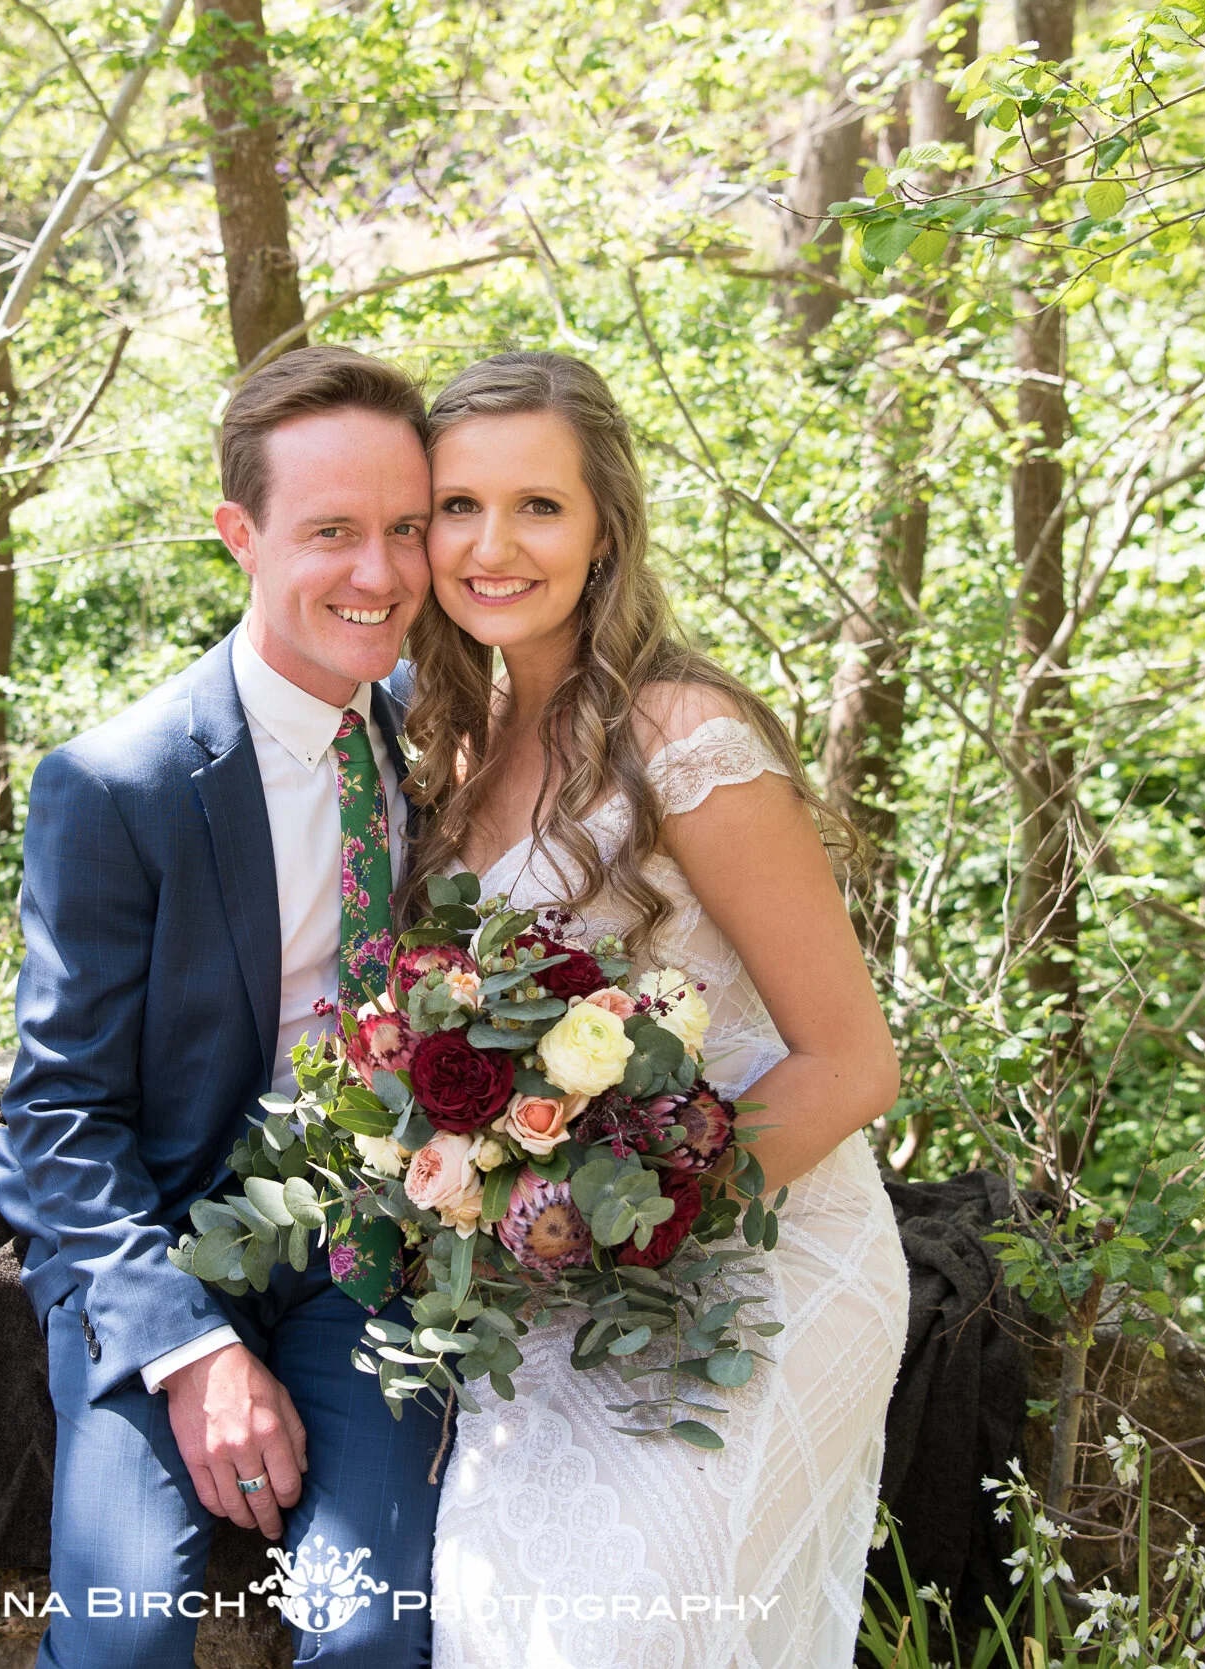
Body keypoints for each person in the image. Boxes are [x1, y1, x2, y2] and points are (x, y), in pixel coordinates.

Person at [406, 352, 910, 1669]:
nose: (492, 544)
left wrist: (652, 1219)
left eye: (539, 506)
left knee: (614, 1637)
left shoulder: (685, 735)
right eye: (458, 506)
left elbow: (853, 1063)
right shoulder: (449, 751)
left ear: (606, 529)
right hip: (554, 1287)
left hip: (762, 1254)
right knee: (488, 1625)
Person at [0, 346, 445, 1668]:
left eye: (406, 529)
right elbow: (56, 1111)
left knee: (368, 1636)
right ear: (238, 535)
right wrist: (188, 1353)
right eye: (332, 533)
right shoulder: (119, 784)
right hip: (160, 1242)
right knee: (124, 1637)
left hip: (367, 1260)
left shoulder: (443, 729)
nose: (380, 572)